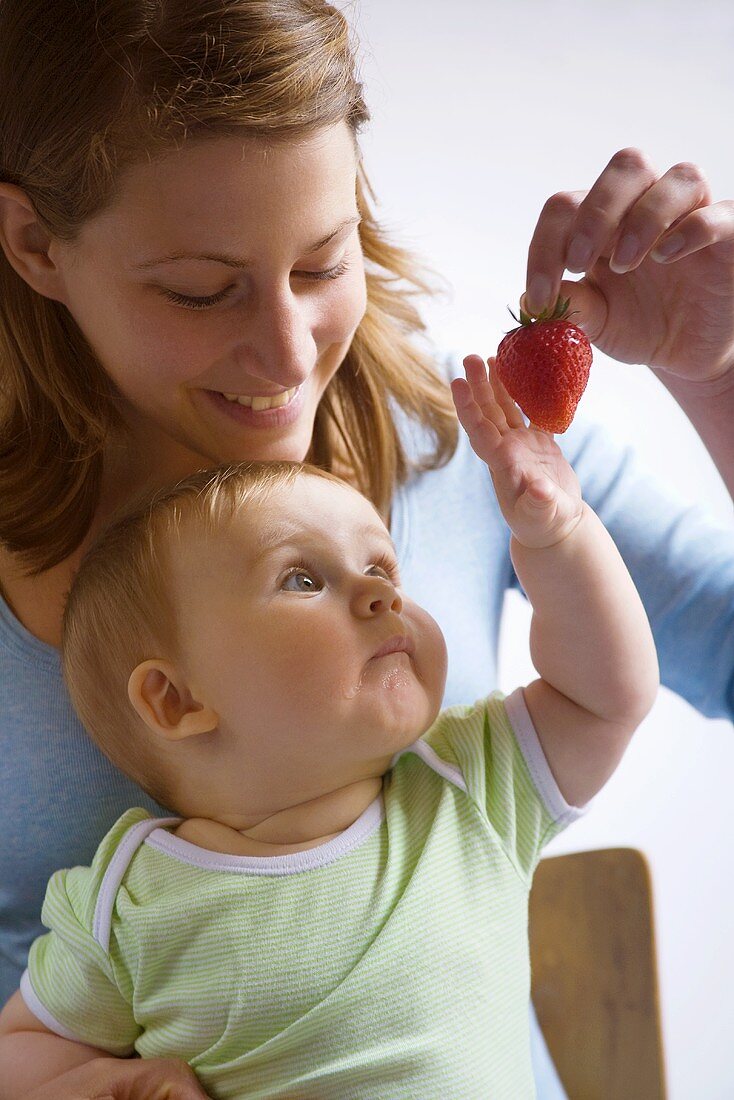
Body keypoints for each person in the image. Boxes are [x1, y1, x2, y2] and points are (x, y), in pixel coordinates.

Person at [0, 0, 732, 1096]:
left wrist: (716, 373)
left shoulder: (464, 434)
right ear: (34, 246)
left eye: (318, 262)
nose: (288, 353)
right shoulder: (115, 915)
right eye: (199, 288)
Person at [0, 346, 660, 1095]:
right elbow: (20, 1047)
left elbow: (607, 694)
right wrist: (95, 1085)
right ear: (176, 701)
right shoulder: (127, 902)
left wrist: (558, 535)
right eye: (303, 579)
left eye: (382, 568)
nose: (379, 595)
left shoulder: (466, 786)